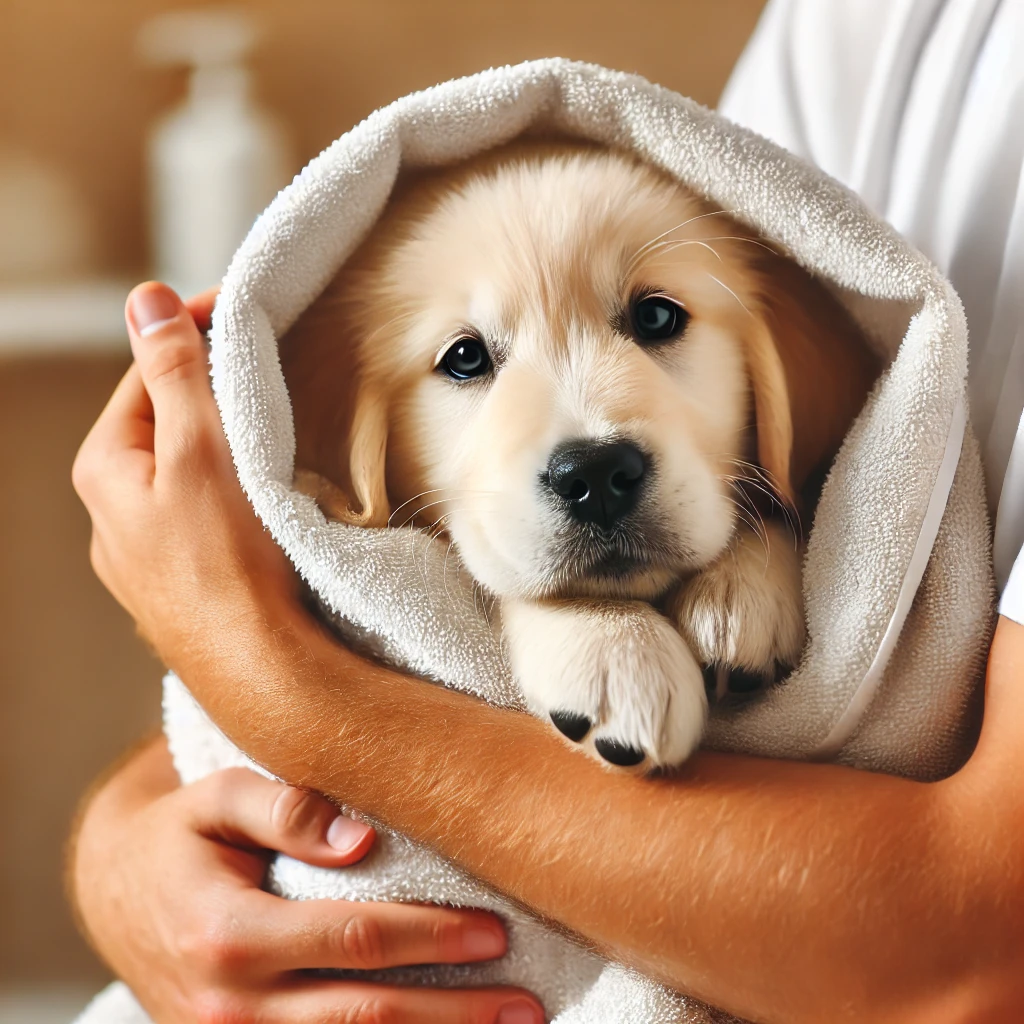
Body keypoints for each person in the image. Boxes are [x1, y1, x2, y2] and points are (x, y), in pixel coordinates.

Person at [70, 2, 1024, 1021]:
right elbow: (347, 609)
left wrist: (277, 682)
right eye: (465, 358)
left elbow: (968, 951)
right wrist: (122, 852)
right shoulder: (865, 22)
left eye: (655, 319)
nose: (588, 443)